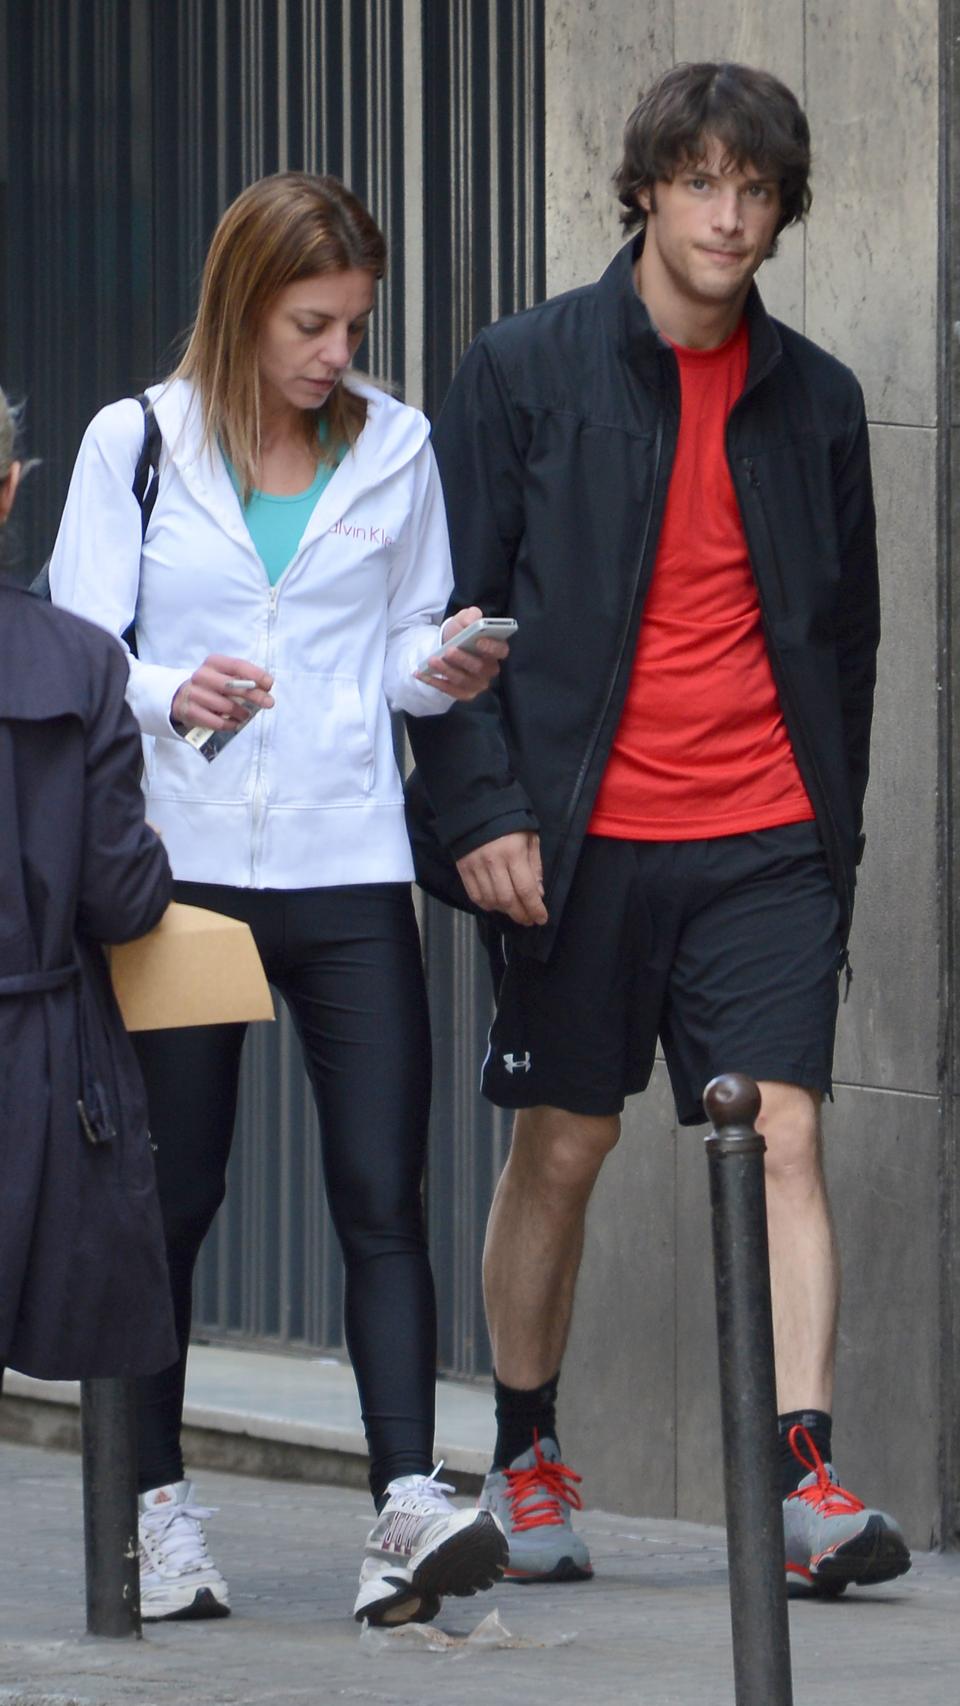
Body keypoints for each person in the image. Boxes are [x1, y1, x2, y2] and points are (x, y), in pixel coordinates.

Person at [406, 61, 912, 1596]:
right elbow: (449, 620)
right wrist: (486, 810)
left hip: (761, 833)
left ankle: (801, 1476)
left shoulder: (813, 396)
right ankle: (531, 1448)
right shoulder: (522, 370)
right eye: (701, 182)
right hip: (576, 838)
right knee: (565, 1140)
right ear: (644, 189)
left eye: (755, 191)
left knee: (786, 1135)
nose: (730, 215)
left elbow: (848, 640)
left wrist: (831, 841)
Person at [49, 172, 509, 1626]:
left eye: (351, 325)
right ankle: (154, 1508)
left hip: (348, 865)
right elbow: (74, 652)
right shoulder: (136, 442)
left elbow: (391, 652)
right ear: (243, 305)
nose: (334, 354)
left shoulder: (401, 448)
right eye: (310, 324)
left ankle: (406, 1508)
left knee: (385, 1193)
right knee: (171, 1201)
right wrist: (170, 688)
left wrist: (438, 669)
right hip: (181, 877)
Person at [0, 386, 175, 1386]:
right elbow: (120, 896)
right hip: (39, 1069)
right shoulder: (81, 662)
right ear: (13, 490)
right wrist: (143, 850)